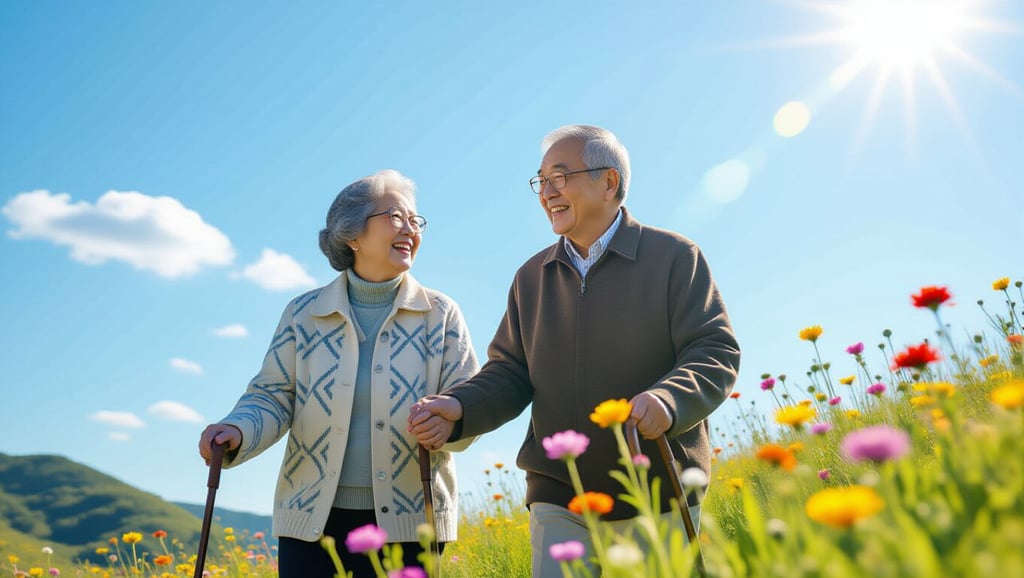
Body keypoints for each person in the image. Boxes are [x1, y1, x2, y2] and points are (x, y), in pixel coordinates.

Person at [408, 125, 740, 577]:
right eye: (541, 181)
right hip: (558, 491)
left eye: (560, 177)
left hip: (656, 485)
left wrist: (669, 400)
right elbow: (509, 372)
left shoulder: (675, 256)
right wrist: (459, 406)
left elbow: (713, 349)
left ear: (609, 183)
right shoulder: (531, 277)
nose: (546, 193)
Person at [198, 169, 480, 578]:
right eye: (395, 217)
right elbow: (274, 395)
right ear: (352, 235)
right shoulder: (304, 313)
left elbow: (468, 398)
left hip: (409, 523)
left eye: (415, 220)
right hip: (312, 524)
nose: (410, 230)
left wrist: (451, 422)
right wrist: (238, 430)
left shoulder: (440, 314)